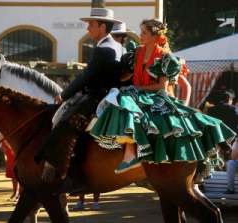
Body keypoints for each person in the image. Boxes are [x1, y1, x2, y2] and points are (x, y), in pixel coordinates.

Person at [89, 19, 236, 174]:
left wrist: (137, 88)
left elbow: (162, 87)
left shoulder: (165, 57)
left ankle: (132, 155)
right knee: (119, 98)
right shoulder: (138, 52)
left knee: (125, 100)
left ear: (154, 35)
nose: (140, 35)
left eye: (144, 32)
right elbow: (127, 76)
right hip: (137, 93)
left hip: (155, 96)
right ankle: (129, 152)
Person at [34, 7, 123, 186]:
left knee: (65, 124)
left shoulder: (104, 49)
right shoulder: (116, 46)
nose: (87, 28)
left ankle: (59, 169)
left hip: (98, 97)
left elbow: (86, 76)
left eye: (91, 24)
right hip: (104, 94)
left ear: (102, 26)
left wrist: (64, 94)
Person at [207, 90, 238, 194]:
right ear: (229, 99)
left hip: (216, 138)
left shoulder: (211, 110)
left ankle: (210, 176)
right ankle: (227, 180)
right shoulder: (234, 109)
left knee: (214, 157)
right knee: (230, 158)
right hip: (230, 137)